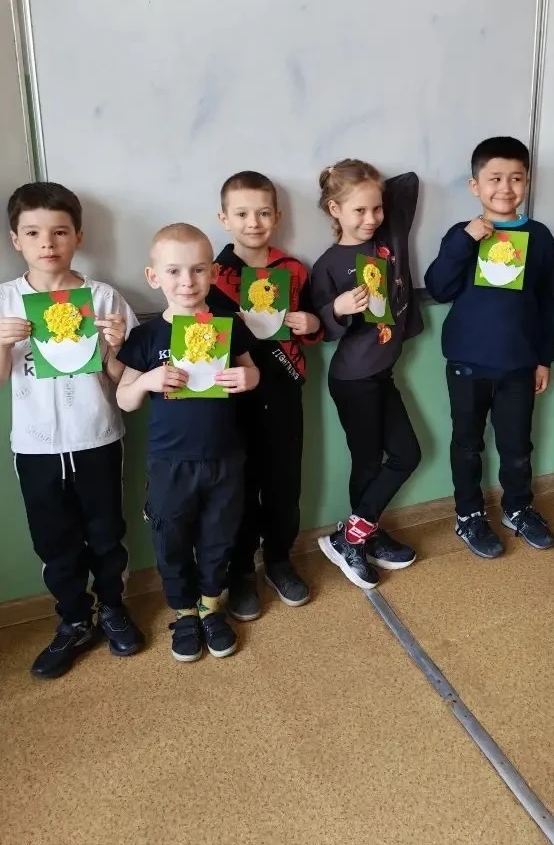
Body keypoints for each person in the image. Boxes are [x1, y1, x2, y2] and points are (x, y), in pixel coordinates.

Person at [0, 181, 143, 678]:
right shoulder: (6, 300)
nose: (48, 243)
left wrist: (115, 346)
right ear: (15, 239)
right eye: (33, 232)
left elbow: (125, 377)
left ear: (78, 236)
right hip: (35, 448)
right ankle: (74, 621)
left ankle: (114, 610)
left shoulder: (102, 298)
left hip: (97, 437)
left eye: (60, 231)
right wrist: (2, 344)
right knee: (54, 541)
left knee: (107, 533)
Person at [116, 223, 260, 662]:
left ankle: (212, 609)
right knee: (171, 542)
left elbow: (253, 371)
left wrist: (247, 378)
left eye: (198, 270)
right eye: (174, 271)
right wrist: (148, 381)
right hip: (170, 464)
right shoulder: (146, 337)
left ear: (213, 273)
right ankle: (183, 614)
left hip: (224, 458)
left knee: (219, 537)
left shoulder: (227, 325)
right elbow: (124, 398)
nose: (187, 281)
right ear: (153, 276)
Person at [424, 137, 554, 559]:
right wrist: (466, 240)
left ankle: (517, 508)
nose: (505, 188)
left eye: (516, 178)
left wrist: (544, 357)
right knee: (467, 443)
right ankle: (468, 514)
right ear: (475, 185)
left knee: (517, 446)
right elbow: (438, 287)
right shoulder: (461, 235)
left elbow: (547, 302)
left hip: (519, 364)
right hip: (467, 363)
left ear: (527, 182)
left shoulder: (539, 237)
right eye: (494, 178)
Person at [207, 171, 322, 617]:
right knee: (238, 487)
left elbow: (310, 319)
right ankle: (240, 571)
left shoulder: (293, 269)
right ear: (224, 219)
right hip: (233, 400)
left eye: (262, 213)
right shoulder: (211, 275)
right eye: (241, 214)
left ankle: (278, 560)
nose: (252, 222)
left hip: (284, 391)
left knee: (283, 483)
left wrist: (311, 324)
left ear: (277, 216)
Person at [310, 160, 422, 589]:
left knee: (406, 454)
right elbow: (320, 328)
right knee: (369, 460)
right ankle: (357, 537)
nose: (371, 218)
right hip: (352, 379)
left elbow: (407, 185)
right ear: (334, 209)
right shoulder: (328, 264)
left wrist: (362, 185)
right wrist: (338, 309)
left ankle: (357, 532)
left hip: (382, 374)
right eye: (359, 210)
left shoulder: (387, 241)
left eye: (377, 208)